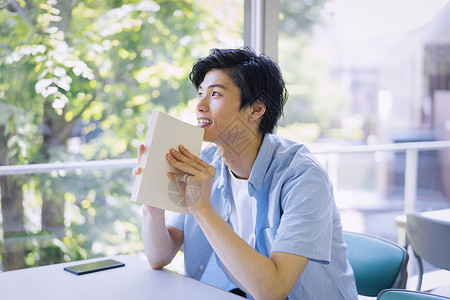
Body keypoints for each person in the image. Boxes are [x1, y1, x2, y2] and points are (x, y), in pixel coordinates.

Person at [134, 47, 358, 300]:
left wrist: (202, 208)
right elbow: (158, 256)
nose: (200, 106)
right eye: (200, 94)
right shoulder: (205, 162)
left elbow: (272, 290)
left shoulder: (303, 177)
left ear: (255, 109)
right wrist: (153, 208)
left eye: (215, 94)